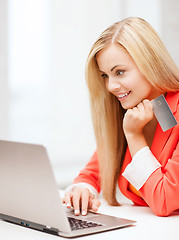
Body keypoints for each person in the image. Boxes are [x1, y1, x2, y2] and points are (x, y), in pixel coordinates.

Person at [63, 17, 179, 217]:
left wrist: (134, 136)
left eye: (120, 72)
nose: (110, 86)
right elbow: (90, 175)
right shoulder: (132, 112)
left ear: (150, 64)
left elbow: (164, 200)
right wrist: (82, 191)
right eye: (105, 75)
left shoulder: (136, 123)